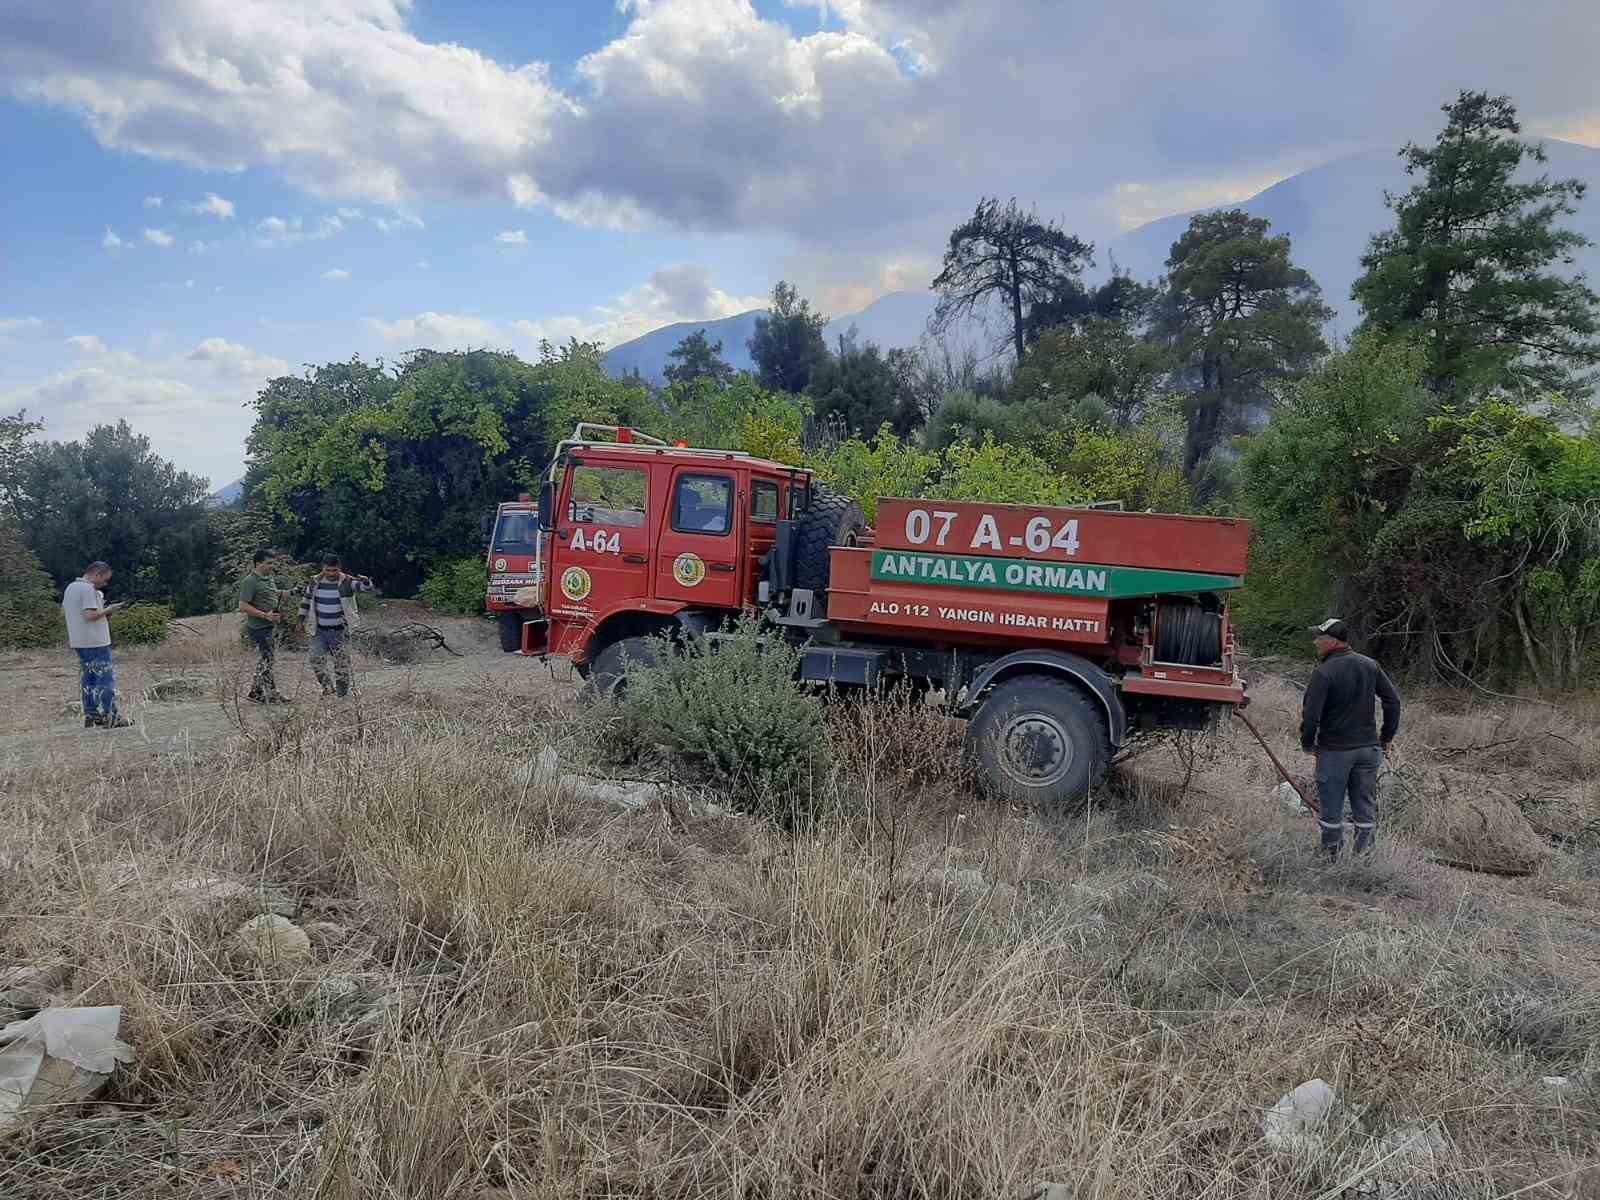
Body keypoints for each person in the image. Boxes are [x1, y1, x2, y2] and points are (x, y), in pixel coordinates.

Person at [1300, 618, 1402, 859]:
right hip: (1368, 750)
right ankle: (1364, 858)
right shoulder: (1370, 665)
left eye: (1319, 637)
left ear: (1332, 642)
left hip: (1335, 751)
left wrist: (1307, 744)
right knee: (1364, 807)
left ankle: (1330, 858)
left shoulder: (1323, 673)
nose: (1315, 642)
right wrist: (1386, 737)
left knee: (1331, 808)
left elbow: (1311, 715)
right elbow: (1393, 702)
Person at [62, 561, 133, 730]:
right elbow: (89, 615)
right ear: (97, 575)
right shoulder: (88, 589)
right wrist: (110, 610)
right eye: (105, 579)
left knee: (89, 679)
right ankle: (110, 715)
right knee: (105, 679)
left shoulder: (71, 588)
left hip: (79, 641)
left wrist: (103, 611)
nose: (105, 583)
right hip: (96, 641)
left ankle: (91, 714)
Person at [299, 555, 375, 698]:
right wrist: (300, 620)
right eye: (328, 570)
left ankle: (342, 694)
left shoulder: (346, 581)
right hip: (319, 630)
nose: (331, 574)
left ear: (339, 568)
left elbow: (363, 588)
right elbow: (306, 600)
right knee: (315, 659)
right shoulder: (315, 582)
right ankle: (327, 688)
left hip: (340, 630)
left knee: (341, 665)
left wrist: (366, 582)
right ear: (323, 569)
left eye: (334, 570)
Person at [238, 549, 290, 704]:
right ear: (258, 563)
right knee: (268, 659)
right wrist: (265, 615)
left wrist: (281, 594)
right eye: (269, 563)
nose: (272, 566)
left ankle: (256, 692)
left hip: (269, 626)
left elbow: (270, 593)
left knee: (267, 659)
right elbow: (242, 605)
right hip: (258, 627)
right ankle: (271, 693)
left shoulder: (268, 578)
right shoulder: (250, 581)